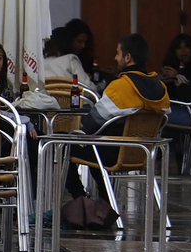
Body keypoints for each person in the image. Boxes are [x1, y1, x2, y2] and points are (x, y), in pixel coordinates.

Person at [66, 33, 169, 197]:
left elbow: (92, 123)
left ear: (128, 57)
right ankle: (106, 202)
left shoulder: (120, 87)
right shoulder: (161, 88)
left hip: (112, 154)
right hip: (143, 154)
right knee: (97, 144)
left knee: (63, 146)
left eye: (118, 53)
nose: (115, 58)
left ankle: (81, 201)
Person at [43, 25, 89, 91]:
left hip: (45, 99)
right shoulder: (70, 60)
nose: (83, 46)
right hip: (69, 99)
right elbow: (88, 87)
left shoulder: (39, 61)